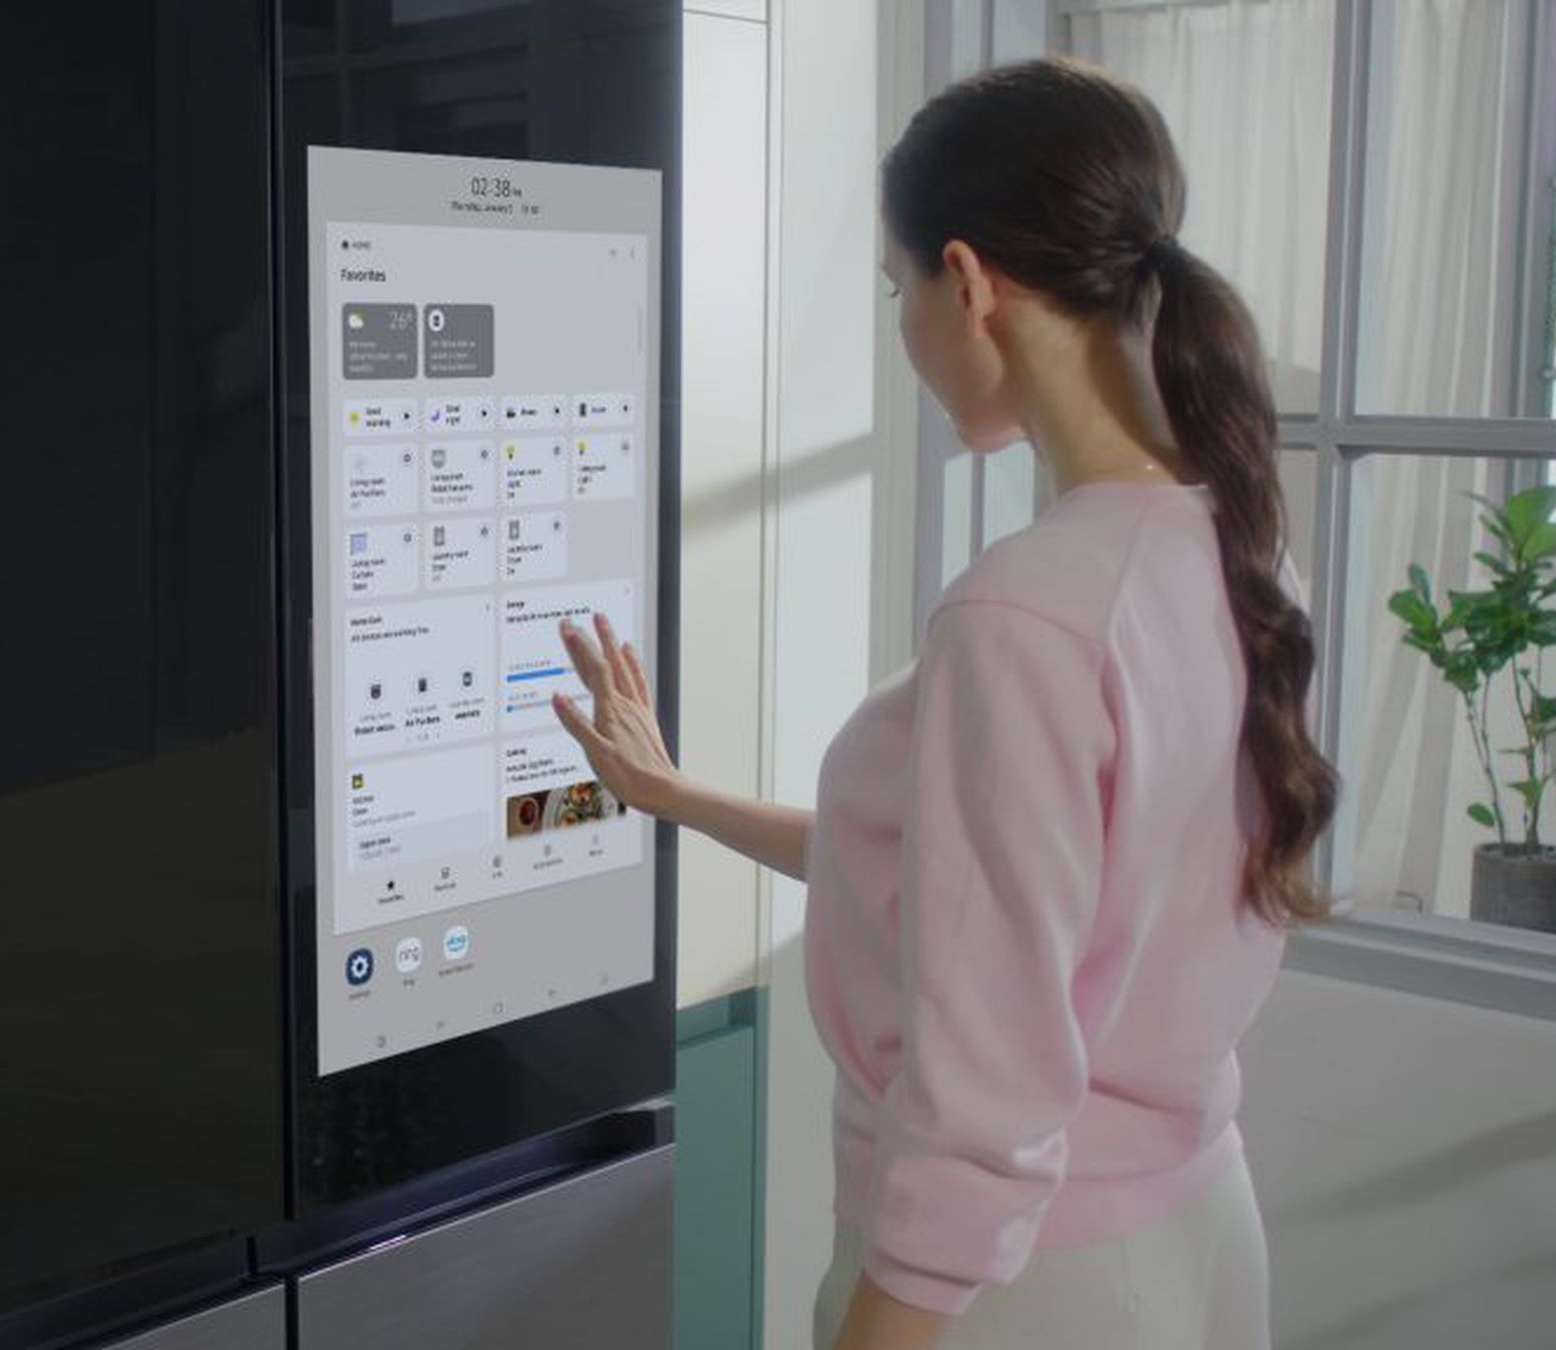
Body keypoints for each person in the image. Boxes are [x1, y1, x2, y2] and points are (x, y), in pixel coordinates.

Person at [550, 57, 1338, 1350]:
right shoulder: (1229, 544)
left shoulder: (1023, 614)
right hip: (1192, 1230)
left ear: (965, 283)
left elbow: (989, 1086)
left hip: (1026, 1290)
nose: (902, 323)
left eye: (894, 288)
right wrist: (673, 795)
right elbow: (967, 885)